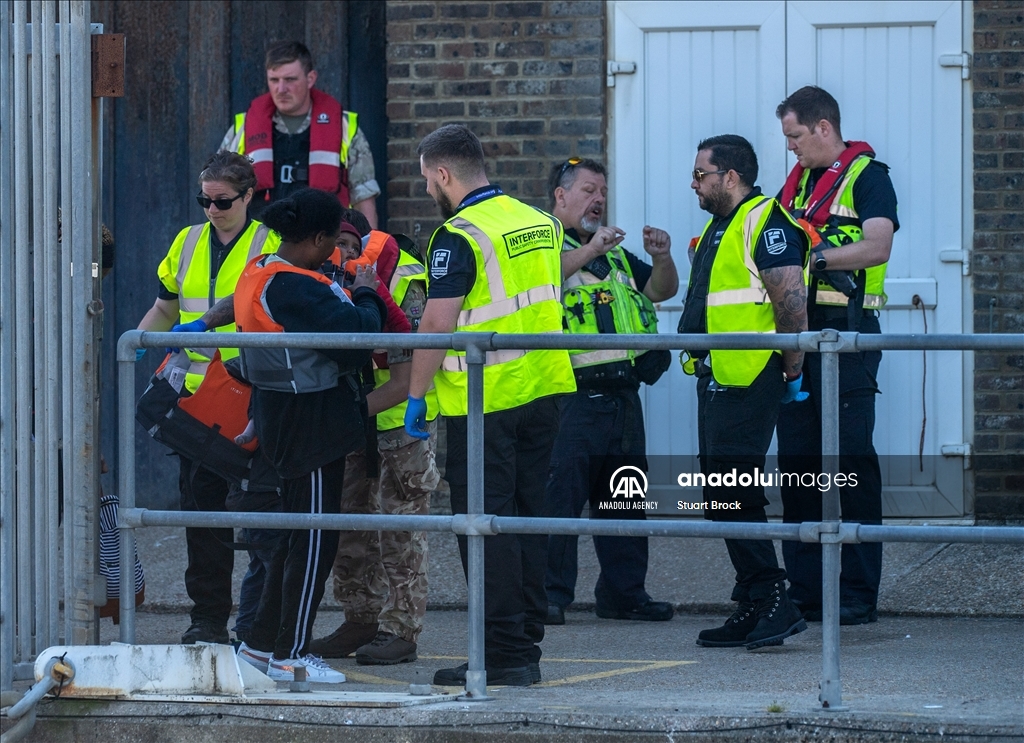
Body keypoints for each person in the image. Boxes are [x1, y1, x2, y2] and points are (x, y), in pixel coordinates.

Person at [405, 124, 576, 687]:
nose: (428, 187)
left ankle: (502, 653)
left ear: (445, 174)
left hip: (487, 403)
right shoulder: (541, 222)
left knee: (484, 525)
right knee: (527, 519)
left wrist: (415, 397)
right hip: (544, 388)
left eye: (428, 178)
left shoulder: (459, 235)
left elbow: (437, 321)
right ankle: (523, 643)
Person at [232, 188, 386, 683]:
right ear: (318, 239)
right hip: (313, 426)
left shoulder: (261, 270)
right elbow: (359, 340)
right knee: (314, 543)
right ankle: (291, 654)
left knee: (296, 538)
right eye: (332, 241)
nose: (337, 252)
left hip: (282, 418)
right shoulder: (300, 288)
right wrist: (365, 289)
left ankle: (259, 645)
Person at [136, 152, 279, 644]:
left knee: (262, 520)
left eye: (222, 202)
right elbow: (164, 306)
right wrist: (136, 345)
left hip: (254, 396)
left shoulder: (270, 243)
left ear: (249, 197)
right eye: (205, 200)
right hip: (198, 402)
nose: (212, 210)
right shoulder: (188, 240)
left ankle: (261, 625)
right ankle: (209, 619)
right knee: (203, 520)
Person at [678, 135, 810, 650]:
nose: (694, 184)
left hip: (750, 375)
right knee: (720, 494)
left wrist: (792, 370)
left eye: (700, 175)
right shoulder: (720, 226)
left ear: (729, 176)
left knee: (735, 491)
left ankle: (776, 600)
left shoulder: (765, 221)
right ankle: (757, 602)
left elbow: (790, 301)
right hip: (718, 377)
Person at [774, 86, 898, 626]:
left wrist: (811, 260)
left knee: (851, 464)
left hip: (848, 337)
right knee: (798, 466)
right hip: (799, 336)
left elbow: (877, 246)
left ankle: (857, 595)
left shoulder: (869, 176)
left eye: (795, 136)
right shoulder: (794, 184)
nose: (791, 148)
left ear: (824, 128)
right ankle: (804, 592)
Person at [542, 158, 677, 626]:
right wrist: (589, 248)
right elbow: (541, 282)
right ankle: (550, 595)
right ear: (560, 196)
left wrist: (662, 257)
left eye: (602, 190)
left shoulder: (616, 253)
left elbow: (660, 290)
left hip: (622, 394)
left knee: (624, 498)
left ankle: (624, 593)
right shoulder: (543, 241)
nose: (598, 199)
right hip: (571, 396)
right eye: (587, 190)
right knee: (560, 499)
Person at [309, 220, 442, 665]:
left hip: (405, 423)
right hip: (355, 420)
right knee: (350, 526)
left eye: (349, 245)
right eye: (334, 245)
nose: (341, 255)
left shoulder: (403, 281)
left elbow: (406, 379)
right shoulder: (325, 278)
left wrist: (338, 418)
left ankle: (400, 630)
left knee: (400, 531)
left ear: (365, 243)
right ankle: (360, 619)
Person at [220, 41, 380, 226]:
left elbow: (364, 196)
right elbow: (221, 190)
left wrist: (369, 250)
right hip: (260, 242)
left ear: (310, 78)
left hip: (324, 242)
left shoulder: (345, 127)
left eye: (290, 80)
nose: (281, 89)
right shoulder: (244, 127)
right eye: (274, 80)